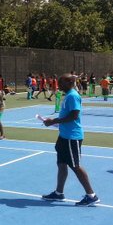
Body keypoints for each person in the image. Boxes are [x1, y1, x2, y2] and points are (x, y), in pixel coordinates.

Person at [41, 74, 100, 206]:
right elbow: (66, 115)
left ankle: (91, 195)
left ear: (69, 82)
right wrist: (54, 122)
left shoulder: (73, 96)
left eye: (61, 83)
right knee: (61, 164)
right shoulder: (68, 95)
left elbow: (74, 116)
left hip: (71, 137)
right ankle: (59, 193)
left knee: (76, 166)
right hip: (64, 136)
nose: (59, 85)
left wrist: (54, 121)